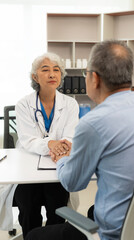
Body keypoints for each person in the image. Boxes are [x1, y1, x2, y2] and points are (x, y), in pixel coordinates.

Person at [25, 40, 134, 240]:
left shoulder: (94, 122)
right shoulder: (24, 103)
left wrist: (63, 158)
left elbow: (73, 182)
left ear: (94, 78)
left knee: (34, 236)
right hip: (129, 222)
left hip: (111, 233)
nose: (52, 74)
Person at [0, 52, 79, 238]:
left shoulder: (70, 104)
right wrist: (51, 144)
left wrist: (63, 145)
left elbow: (71, 135)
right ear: (35, 76)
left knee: (58, 203)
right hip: (28, 166)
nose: (52, 74)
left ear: (61, 76)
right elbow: (28, 140)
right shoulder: (23, 104)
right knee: (27, 204)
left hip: (56, 164)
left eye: (56, 70)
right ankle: (31, 236)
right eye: (45, 70)